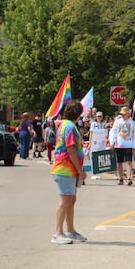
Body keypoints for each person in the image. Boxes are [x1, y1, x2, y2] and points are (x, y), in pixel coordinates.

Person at [50, 100, 88, 244]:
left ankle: (70, 230)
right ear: (78, 113)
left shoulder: (65, 125)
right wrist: (80, 170)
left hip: (67, 169)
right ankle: (58, 232)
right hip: (64, 168)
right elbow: (71, 149)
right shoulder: (70, 127)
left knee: (71, 200)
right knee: (66, 200)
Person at [109, 107, 135, 185]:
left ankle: (129, 178)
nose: (124, 115)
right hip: (119, 144)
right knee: (119, 162)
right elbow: (113, 132)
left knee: (129, 161)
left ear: (128, 114)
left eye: (125, 114)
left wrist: (134, 145)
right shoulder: (117, 122)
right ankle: (121, 178)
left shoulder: (132, 123)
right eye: (122, 114)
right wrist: (112, 142)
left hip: (129, 144)